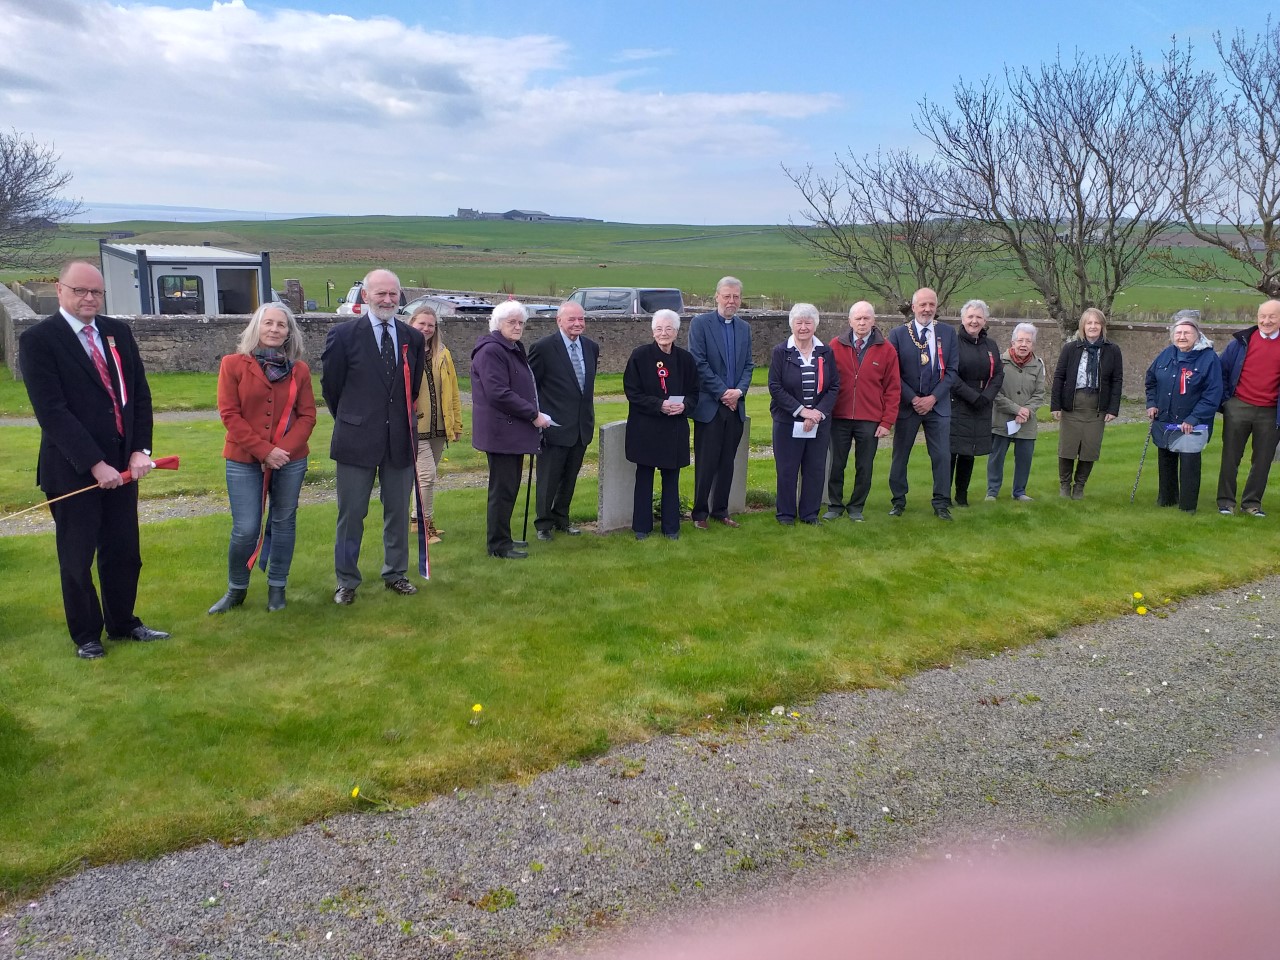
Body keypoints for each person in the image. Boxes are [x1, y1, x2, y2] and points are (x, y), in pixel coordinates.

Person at [18, 260, 169, 659]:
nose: (89, 298)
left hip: (124, 467)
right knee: (77, 557)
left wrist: (140, 450)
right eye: (80, 290)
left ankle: (123, 623)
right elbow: (52, 411)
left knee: (124, 552)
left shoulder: (117, 333)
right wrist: (94, 463)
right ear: (61, 290)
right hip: (71, 471)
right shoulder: (39, 340)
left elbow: (139, 395)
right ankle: (87, 635)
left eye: (96, 292)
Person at [321, 268, 425, 604]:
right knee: (351, 515)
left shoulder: (413, 338)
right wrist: (354, 420)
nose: (388, 299)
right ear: (366, 296)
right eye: (380, 293)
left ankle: (396, 573)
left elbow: (410, 388)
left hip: (399, 440)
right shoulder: (344, 336)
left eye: (393, 294)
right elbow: (331, 388)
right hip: (356, 440)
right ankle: (346, 581)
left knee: (397, 512)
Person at [208, 303, 316, 614]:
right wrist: (264, 451)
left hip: (291, 460)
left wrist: (283, 451)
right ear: (256, 327)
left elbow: (308, 416)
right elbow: (230, 414)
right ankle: (236, 588)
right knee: (246, 528)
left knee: (284, 522)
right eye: (268, 323)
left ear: (288, 333)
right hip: (243, 459)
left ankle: (277, 589)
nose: (273, 329)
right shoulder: (233, 365)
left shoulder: (300, 371)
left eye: (281, 325)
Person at [471, 300, 551, 559]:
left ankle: (503, 538)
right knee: (502, 489)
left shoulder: (511, 348)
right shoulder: (491, 351)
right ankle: (498, 546)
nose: (517, 327)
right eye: (511, 322)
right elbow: (498, 392)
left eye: (521, 323)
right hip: (501, 433)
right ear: (498, 323)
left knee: (508, 488)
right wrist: (533, 414)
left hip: (509, 431)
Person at [623, 309, 699, 539]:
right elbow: (632, 392)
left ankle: (671, 528)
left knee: (671, 479)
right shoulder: (639, 356)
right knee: (644, 477)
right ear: (652, 331)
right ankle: (642, 528)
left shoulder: (686, 359)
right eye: (659, 329)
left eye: (668, 329)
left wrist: (685, 405)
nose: (663, 333)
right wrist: (659, 405)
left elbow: (695, 392)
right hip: (646, 428)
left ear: (676, 332)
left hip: (674, 429)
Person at [886, 288, 960, 520]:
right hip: (908, 405)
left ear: (937, 307)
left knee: (941, 456)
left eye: (931, 305)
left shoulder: (948, 333)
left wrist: (933, 398)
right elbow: (893, 373)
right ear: (914, 307)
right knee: (900, 455)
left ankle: (941, 502)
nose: (927, 309)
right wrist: (913, 399)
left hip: (937, 405)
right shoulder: (898, 334)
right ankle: (898, 501)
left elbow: (952, 371)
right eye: (923, 305)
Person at [528, 301, 598, 541]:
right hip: (554, 426)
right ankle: (543, 524)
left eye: (581, 319)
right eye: (572, 319)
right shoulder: (544, 348)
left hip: (581, 427)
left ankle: (562, 519)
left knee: (570, 477)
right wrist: (537, 417)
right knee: (549, 479)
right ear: (559, 321)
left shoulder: (591, 347)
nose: (577, 323)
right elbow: (531, 387)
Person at [825, 301, 900, 522]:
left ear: (873, 321)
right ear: (849, 321)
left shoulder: (887, 350)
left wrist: (887, 422)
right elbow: (826, 381)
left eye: (866, 318)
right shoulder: (835, 346)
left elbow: (893, 388)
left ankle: (856, 506)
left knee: (864, 466)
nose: (862, 322)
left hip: (870, 419)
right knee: (836, 464)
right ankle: (835, 505)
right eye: (858, 318)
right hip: (839, 416)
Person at [688, 277, 754, 529]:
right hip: (711, 407)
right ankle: (700, 514)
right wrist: (723, 393)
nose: (731, 301)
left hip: (735, 407)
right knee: (706, 463)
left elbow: (749, 365)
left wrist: (738, 392)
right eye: (727, 296)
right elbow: (699, 363)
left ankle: (721, 511)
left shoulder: (744, 328)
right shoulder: (700, 324)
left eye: (736, 296)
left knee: (728, 462)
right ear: (716, 296)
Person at [1145, 312, 1223, 513]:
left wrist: (1194, 417)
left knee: (1189, 462)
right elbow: (1151, 379)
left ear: (1197, 335)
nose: (1182, 336)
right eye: (1178, 332)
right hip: (1165, 418)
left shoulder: (1208, 358)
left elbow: (1212, 394)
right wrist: (1151, 403)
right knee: (1166, 459)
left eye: (1187, 333)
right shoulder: (1166, 354)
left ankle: (1187, 507)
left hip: (1192, 422)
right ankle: (1167, 499)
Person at [769, 304, 840, 524]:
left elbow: (834, 386)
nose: (803, 327)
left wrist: (817, 413)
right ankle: (786, 515)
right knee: (788, 470)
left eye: (808, 322)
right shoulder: (781, 352)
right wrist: (802, 412)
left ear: (815, 325)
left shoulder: (825, 352)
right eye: (799, 322)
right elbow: (775, 386)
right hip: (788, 421)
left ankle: (810, 514)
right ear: (791, 324)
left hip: (818, 423)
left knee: (815, 469)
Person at [1216, 299, 1280, 517]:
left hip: (1271, 412)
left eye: (1272, 316)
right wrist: (1227, 402)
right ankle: (1226, 502)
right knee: (1230, 457)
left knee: (1262, 460)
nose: (1266, 321)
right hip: (1239, 406)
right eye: (1263, 316)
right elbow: (1221, 370)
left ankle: (1251, 503)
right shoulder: (1241, 342)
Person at [1051, 307, 1123, 500]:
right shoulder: (1070, 348)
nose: (1093, 326)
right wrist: (1055, 405)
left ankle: (1079, 487)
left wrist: (1113, 408)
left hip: (1096, 408)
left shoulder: (1112, 350)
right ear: (1082, 326)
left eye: (1096, 323)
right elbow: (1059, 377)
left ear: (1102, 326)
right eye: (1089, 323)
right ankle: (1065, 486)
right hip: (1072, 406)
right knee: (1067, 447)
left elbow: (1117, 380)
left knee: (1090, 449)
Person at [407, 304, 463, 545]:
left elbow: (453, 393)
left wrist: (456, 424)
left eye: (431, 325)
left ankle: (413, 520)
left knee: (424, 478)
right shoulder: (404, 352)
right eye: (422, 324)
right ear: (412, 324)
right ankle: (424, 525)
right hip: (415, 427)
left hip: (439, 427)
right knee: (427, 476)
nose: (426, 329)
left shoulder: (443, 353)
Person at [948, 300, 1003, 507]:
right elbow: (950, 374)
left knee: (969, 452)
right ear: (963, 319)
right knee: (952, 451)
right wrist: (972, 396)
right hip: (958, 402)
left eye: (978, 317)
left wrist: (986, 397)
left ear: (985, 320)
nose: (974, 321)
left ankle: (962, 496)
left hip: (982, 403)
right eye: (970, 317)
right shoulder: (953, 343)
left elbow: (998, 374)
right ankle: (944, 495)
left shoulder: (991, 345)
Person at [987, 323, 1046, 502]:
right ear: (1012, 342)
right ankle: (992, 492)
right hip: (1002, 419)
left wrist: (1026, 411)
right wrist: (1016, 409)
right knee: (996, 457)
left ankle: (1019, 491)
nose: (1023, 344)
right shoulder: (999, 362)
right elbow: (994, 392)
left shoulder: (1038, 365)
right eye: (1020, 340)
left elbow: (1039, 394)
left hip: (1026, 422)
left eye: (1028, 341)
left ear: (1033, 345)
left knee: (1024, 458)